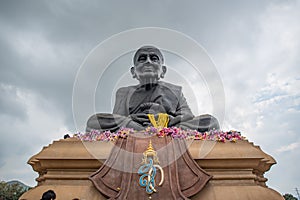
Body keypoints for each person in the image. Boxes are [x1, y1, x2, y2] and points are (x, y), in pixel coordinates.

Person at [86, 45, 219, 132]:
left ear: (163, 70)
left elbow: (188, 116)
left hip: (170, 128)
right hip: (134, 128)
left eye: (154, 58)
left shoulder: (175, 90)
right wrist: (134, 121)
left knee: (210, 122)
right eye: (142, 59)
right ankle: (144, 131)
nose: (148, 61)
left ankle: (159, 132)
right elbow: (118, 119)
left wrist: (164, 119)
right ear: (133, 72)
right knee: (94, 122)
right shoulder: (124, 92)